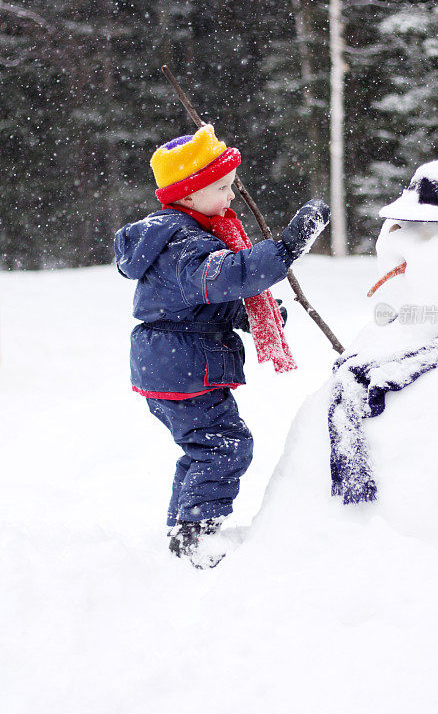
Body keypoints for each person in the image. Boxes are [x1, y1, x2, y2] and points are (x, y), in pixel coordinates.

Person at [114, 124, 329, 567]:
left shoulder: (177, 235)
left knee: (204, 446)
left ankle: (183, 528)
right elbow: (223, 277)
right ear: (189, 195)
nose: (232, 197)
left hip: (172, 361)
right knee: (225, 445)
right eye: (223, 187)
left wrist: (252, 316)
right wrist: (287, 248)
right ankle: (195, 536)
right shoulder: (184, 240)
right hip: (182, 365)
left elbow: (194, 303)